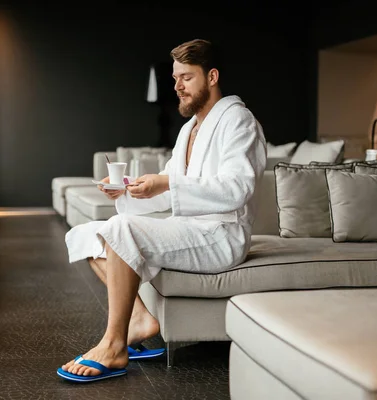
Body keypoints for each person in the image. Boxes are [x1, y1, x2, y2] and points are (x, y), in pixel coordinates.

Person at [57, 39, 267, 383]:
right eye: (175, 79)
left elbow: (237, 189)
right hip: (190, 229)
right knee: (87, 233)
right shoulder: (189, 129)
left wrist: (166, 184)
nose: (177, 87)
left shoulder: (238, 121)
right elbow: (168, 187)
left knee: (122, 229)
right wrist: (128, 192)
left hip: (222, 235)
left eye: (186, 77)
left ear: (212, 77)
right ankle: (140, 320)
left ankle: (113, 345)